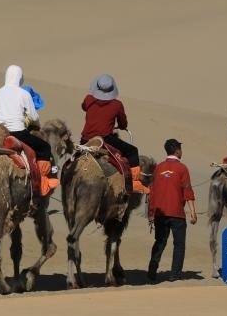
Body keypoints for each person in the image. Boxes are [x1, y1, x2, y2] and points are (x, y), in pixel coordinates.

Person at [0, 64, 59, 194]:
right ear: (19, 78)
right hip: (18, 132)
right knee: (45, 147)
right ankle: (43, 182)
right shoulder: (24, 94)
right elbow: (33, 116)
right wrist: (37, 125)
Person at [80, 73, 149, 194]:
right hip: (105, 140)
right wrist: (121, 126)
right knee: (133, 151)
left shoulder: (88, 99)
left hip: (86, 139)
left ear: (97, 87)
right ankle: (135, 183)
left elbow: (84, 107)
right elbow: (122, 123)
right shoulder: (117, 105)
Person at [147, 138, 198, 283]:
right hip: (177, 214)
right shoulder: (182, 168)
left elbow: (152, 192)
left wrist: (151, 213)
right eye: (180, 149)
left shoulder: (158, 168)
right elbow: (187, 191)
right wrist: (193, 212)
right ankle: (174, 275)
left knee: (160, 242)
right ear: (177, 151)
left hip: (159, 213)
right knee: (179, 244)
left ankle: (152, 271)